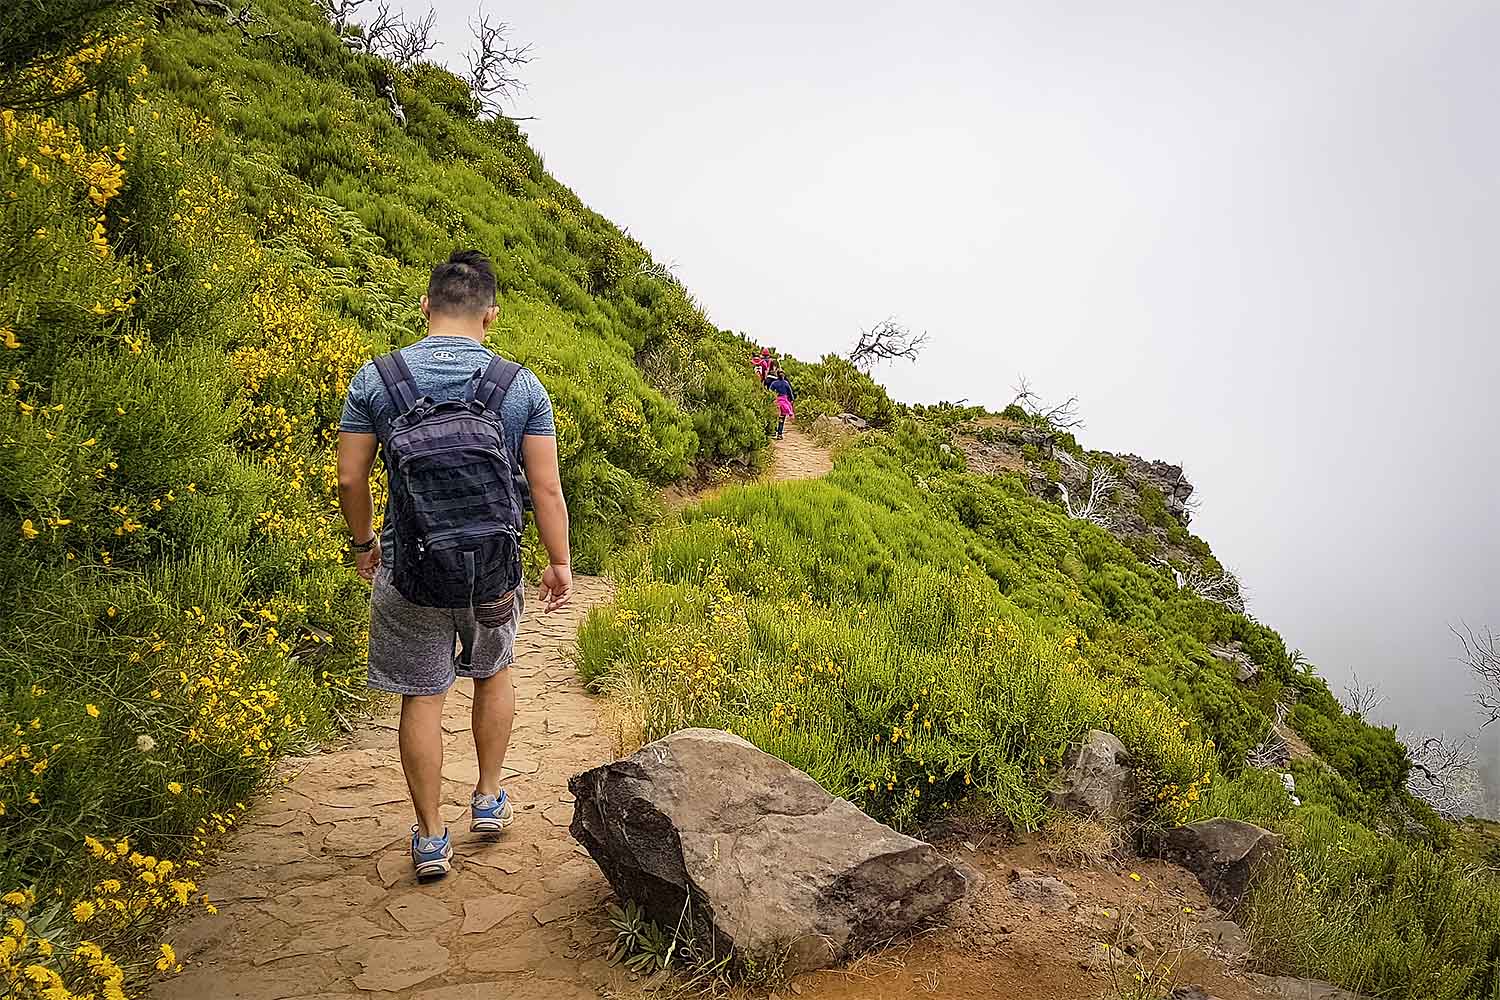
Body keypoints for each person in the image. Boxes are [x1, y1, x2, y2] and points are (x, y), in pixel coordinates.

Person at [336, 249, 572, 879]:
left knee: (421, 695)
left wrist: (364, 544)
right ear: (491, 315)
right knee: (492, 674)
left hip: (410, 569)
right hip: (492, 571)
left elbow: (351, 478)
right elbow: (546, 489)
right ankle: (488, 798)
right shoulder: (519, 386)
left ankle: (430, 835)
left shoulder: (377, 380)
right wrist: (559, 562)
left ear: (425, 307)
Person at [766, 367, 796, 439]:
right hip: (784, 403)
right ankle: (779, 434)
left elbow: (770, 392)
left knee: (774, 418)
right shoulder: (786, 383)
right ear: (783, 375)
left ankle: (773, 432)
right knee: (782, 418)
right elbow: (790, 393)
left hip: (776, 402)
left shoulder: (774, 383)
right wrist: (792, 400)